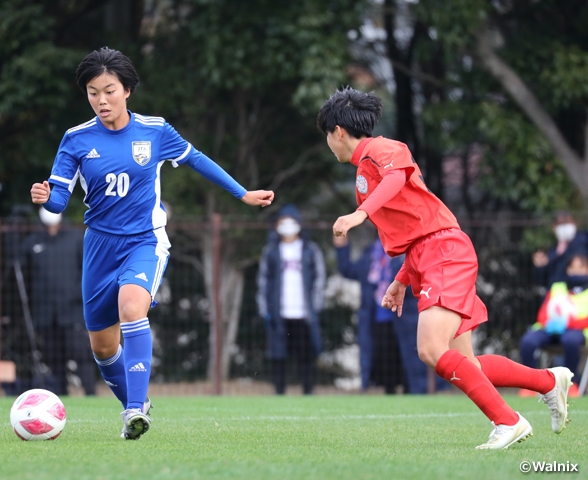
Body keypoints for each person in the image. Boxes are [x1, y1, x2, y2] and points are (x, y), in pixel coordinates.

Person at [30, 47, 274, 440]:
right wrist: (45, 197)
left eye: (109, 90)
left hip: (145, 241)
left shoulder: (155, 130)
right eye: (93, 92)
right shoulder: (75, 140)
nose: (101, 100)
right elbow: (58, 202)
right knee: (104, 347)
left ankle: (131, 411)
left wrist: (242, 192)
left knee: (132, 306)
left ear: (127, 90)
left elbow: (197, 160)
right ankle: (138, 406)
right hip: (99, 247)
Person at [318, 86, 573, 450]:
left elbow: (395, 181)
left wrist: (360, 214)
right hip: (429, 254)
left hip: (444, 251)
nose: (329, 144)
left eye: (327, 136)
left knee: (430, 349)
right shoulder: (365, 169)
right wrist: (402, 280)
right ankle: (549, 382)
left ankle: (508, 420)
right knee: (467, 364)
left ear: (337, 132)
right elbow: (414, 225)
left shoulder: (383, 150)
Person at [334, 235, 449, 394]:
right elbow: (349, 270)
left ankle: (414, 394)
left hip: (405, 319)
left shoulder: (408, 250)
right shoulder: (370, 254)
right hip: (378, 320)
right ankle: (390, 395)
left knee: (409, 361)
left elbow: (423, 280)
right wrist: (342, 247)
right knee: (386, 365)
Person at [17, 207, 96, 396]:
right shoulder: (33, 241)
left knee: (80, 353)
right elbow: (18, 266)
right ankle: (60, 396)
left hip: (73, 309)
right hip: (45, 312)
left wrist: (79, 294)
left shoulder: (77, 238)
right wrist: (14, 232)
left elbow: (89, 270)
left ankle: (91, 394)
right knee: (54, 358)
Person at [256, 206, 325, 395]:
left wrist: (316, 307)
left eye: (291, 221)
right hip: (279, 313)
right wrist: (265, 310)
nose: (287, 226)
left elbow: (319, 279)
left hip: (304, 313)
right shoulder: (271, 251)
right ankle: (279, 393)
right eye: (282, 221)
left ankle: (308, 392)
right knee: (278, 356)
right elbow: (263, 282)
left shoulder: (310, 250)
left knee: (306, 355)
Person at [520, 253, 588, 398]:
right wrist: (550, 323)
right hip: (551, 328)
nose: (576, 271)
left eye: (581, 268)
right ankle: (529, 384)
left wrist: (568, 322)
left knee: (570, 341)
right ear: (567, 270)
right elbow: (543, 312)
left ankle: (571, 384)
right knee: (528, 341)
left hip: (577, 330)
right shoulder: (557, 287)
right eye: (573, 268)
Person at [532, 211, 588, 289]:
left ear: (575, 224)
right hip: (558, 296)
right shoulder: (553, 250)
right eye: (561, 224)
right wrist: (540, 266)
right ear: (553, 228)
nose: (564, 228)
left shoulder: (583, 243)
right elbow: (542, 280)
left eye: (567, 223)